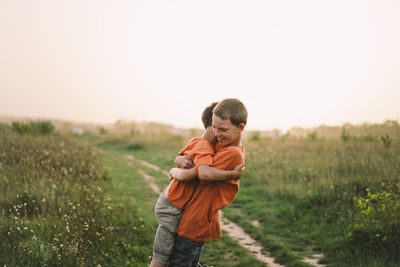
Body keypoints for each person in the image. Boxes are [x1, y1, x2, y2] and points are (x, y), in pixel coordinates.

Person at [149, 102, 245, 267]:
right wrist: (176, 164)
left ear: (240, 127)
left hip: (195, 221)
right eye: (214, 127)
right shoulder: (216, 144)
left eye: (222, 129)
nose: (216, 133)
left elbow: (203, 173)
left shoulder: (231, 153)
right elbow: (194, 154)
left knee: (173, 262)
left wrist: (175, 171)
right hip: (189, 218)